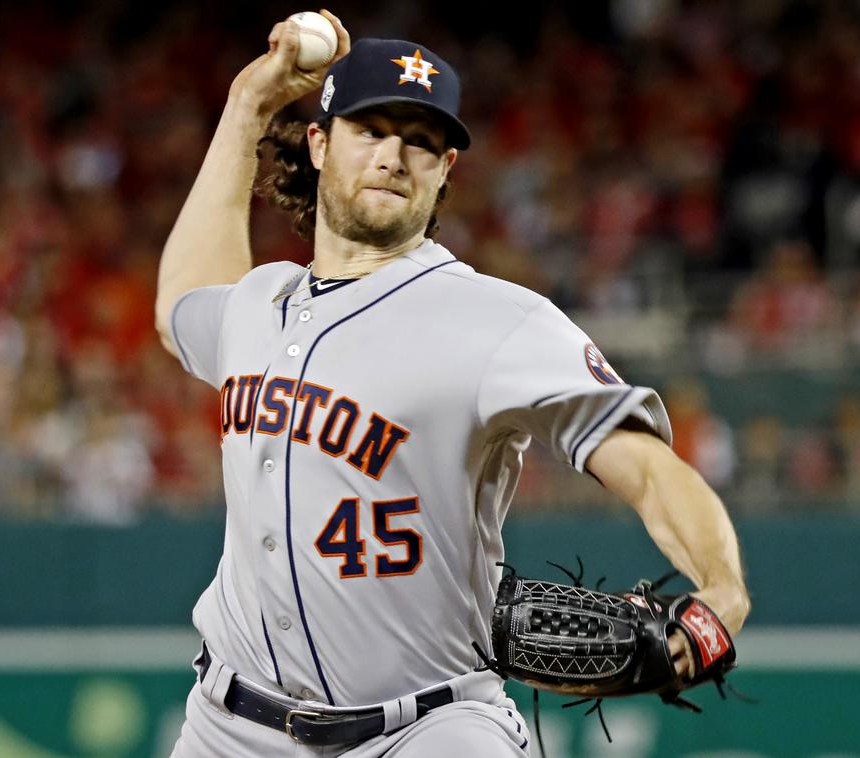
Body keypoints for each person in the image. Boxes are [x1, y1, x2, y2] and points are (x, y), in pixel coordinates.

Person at [154, 11, 750, 757]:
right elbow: (181, 301)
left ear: (444, 172)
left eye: (422, 142)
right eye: (371, 130)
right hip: (230, 727)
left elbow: (647, 467)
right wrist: (247, 106)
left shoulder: (497, 320)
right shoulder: (258, 304)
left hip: (427, 726)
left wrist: (723, 590)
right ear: (318, 143)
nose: (394, 155)